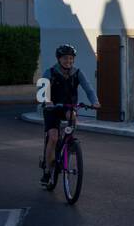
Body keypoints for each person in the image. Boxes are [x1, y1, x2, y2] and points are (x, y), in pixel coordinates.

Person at [41, 44, 100, 188]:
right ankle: (48, 170)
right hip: (52, 108)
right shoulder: (50, 72)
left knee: (72, 116)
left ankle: (69, 141)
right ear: (59, 59)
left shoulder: (77, 73)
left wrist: (95, 102)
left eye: (71, 58)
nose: (69, 61)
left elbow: (88, 88)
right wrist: (47, 101)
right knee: (53, 137)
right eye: (66, 58)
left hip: (68, 106)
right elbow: (42, 90)